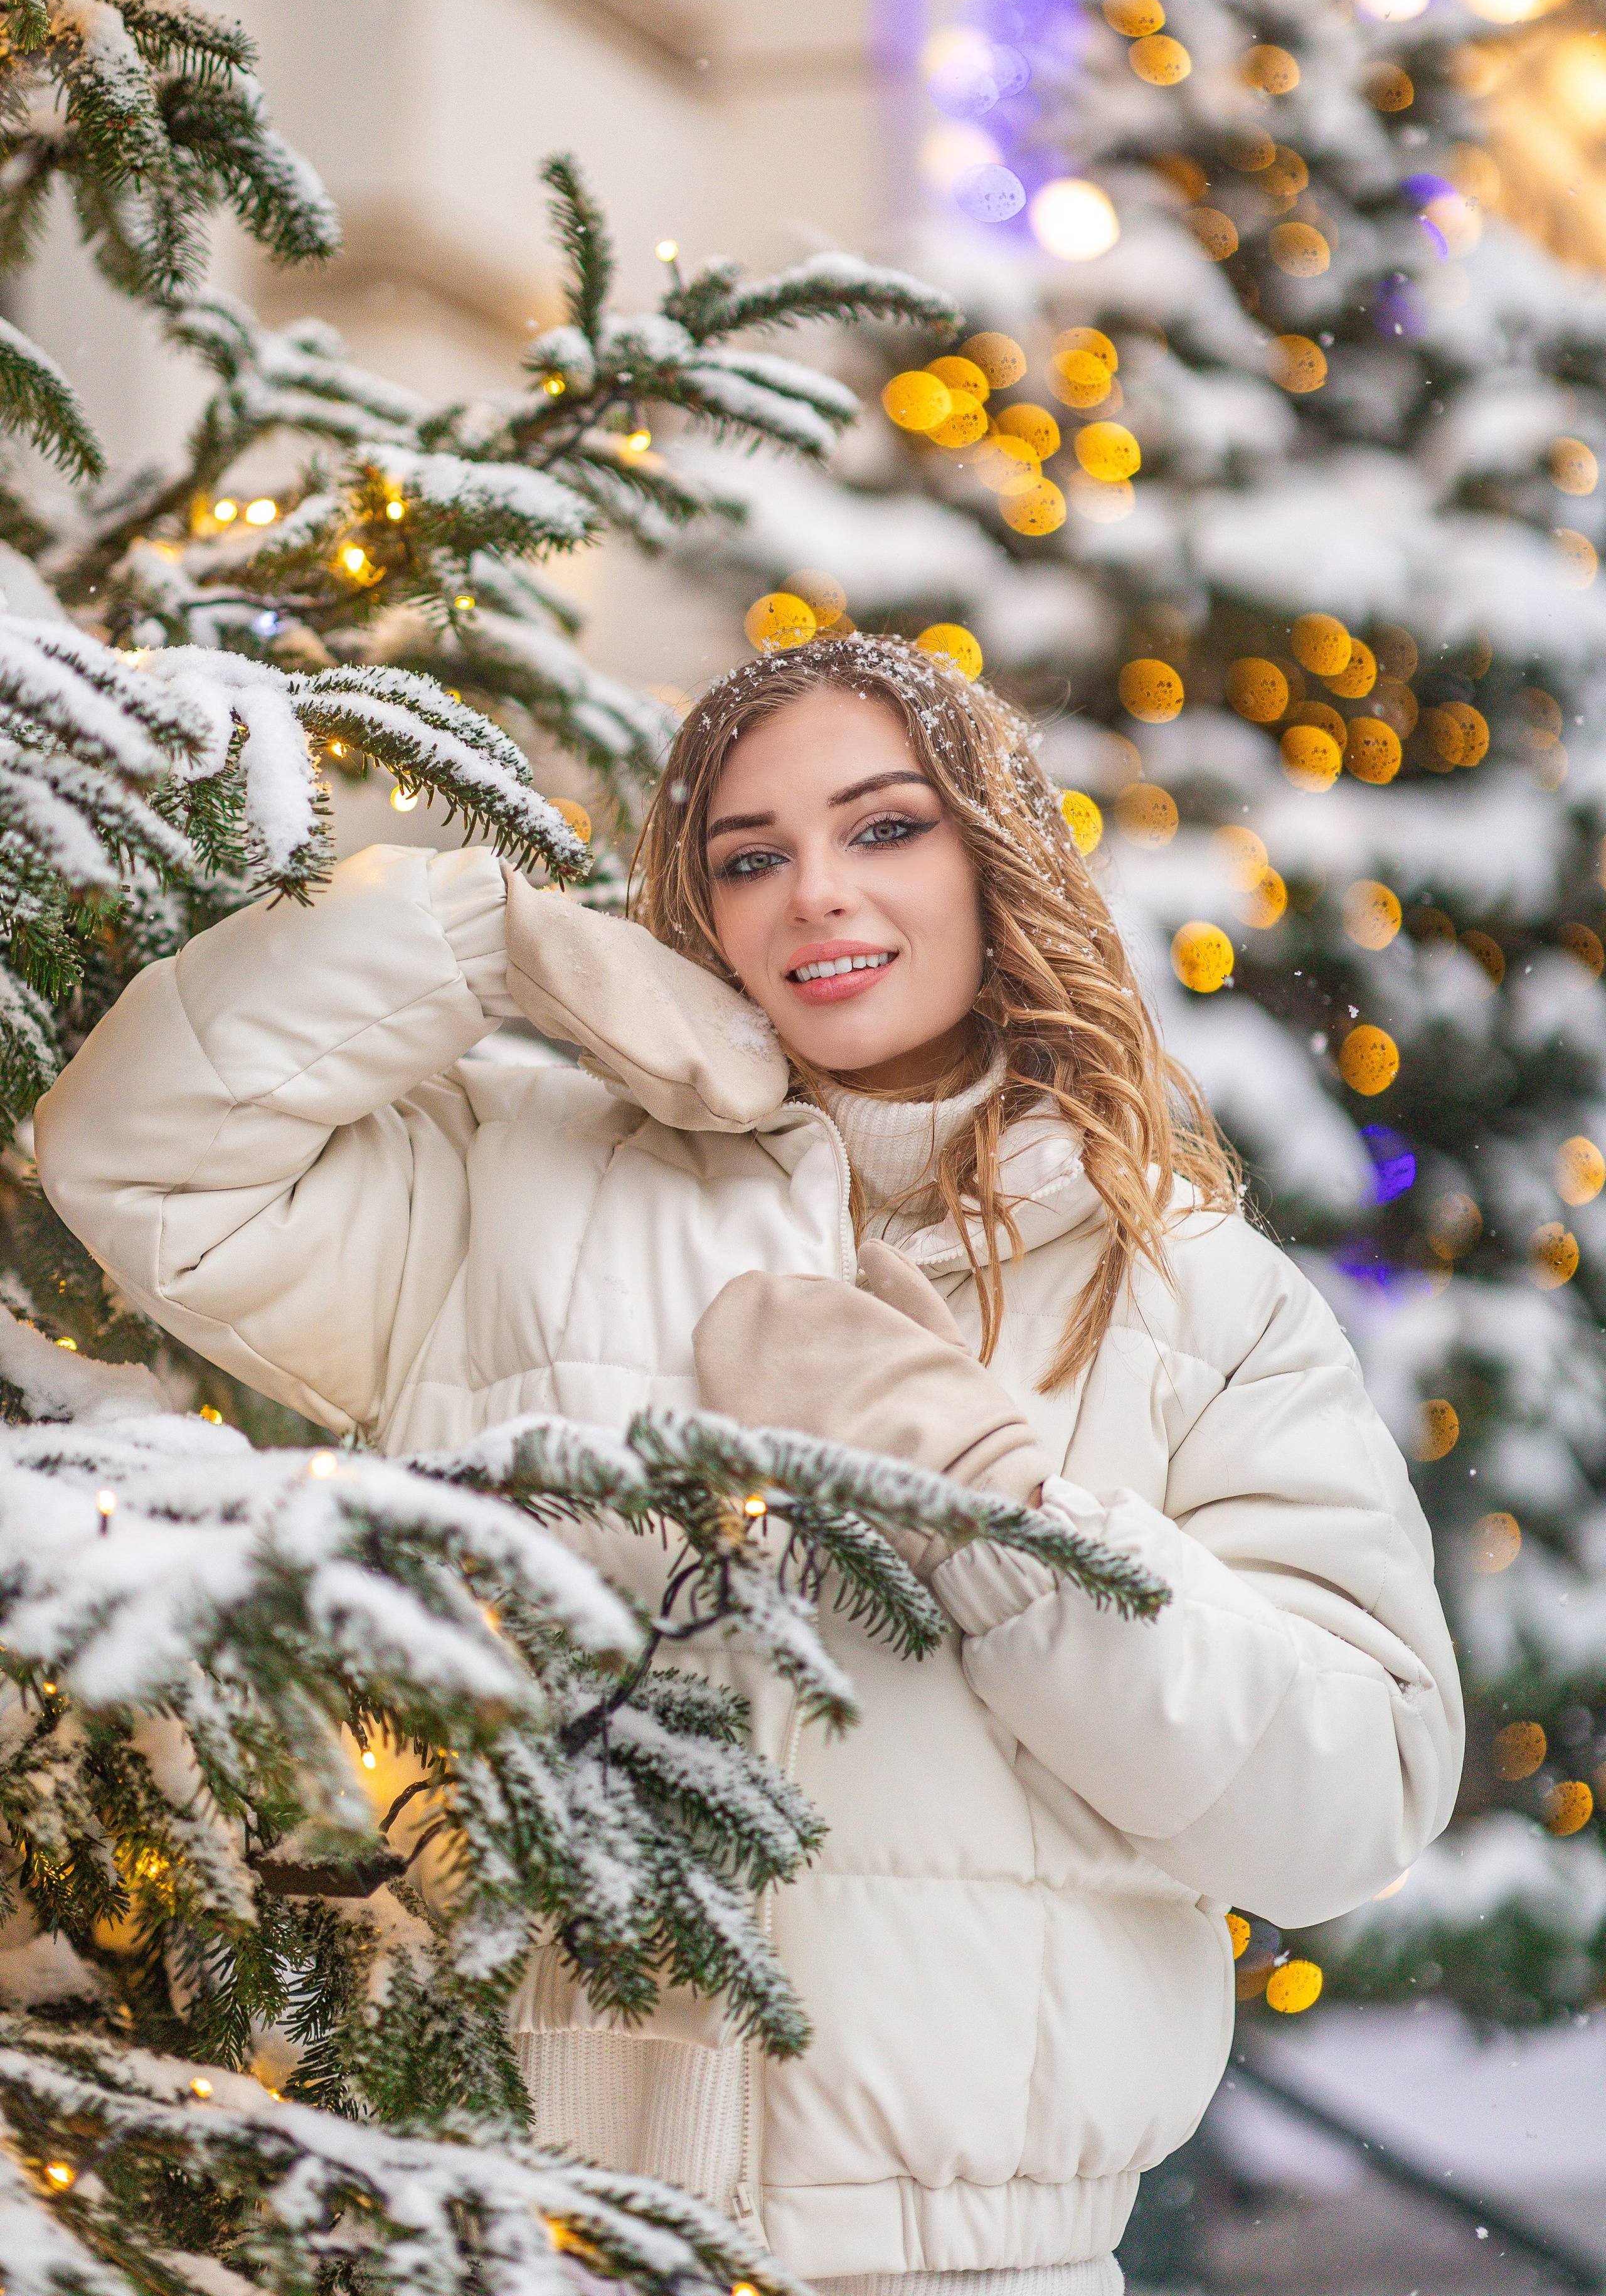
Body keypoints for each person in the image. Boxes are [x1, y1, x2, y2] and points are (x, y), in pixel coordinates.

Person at [35, 635, 1462, 2296]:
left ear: (995, 853)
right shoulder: (517, 1180)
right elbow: (135, 1159)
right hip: (507, 2244)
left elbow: (1350, 1797)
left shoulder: (1191, 1296)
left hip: (959, 2271)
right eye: (748, 855)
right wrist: (471, 938)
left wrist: (1002, 1514)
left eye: (883, 829)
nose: (813, 897)